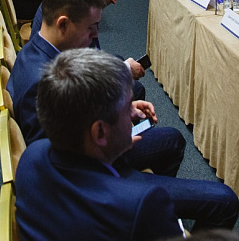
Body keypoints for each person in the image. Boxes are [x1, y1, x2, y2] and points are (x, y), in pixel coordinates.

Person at [8, 0, 239, 230]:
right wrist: (115, 142)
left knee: (173, 140)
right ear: (63, 24)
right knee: (225, 200)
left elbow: (61, 140)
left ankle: (166, 212)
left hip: (91, 152)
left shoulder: (34, 54)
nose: (95, 36)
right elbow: (65, 167)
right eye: (91, 28)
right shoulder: (40, 83)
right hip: (93, 176)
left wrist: (119, 112)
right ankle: (159, 217)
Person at [15, 48, 183, 241]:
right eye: (127, 109)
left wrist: (113, 144)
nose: (132, 114)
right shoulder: (142, 204)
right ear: (100, 132)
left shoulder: (30, 156)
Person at [29, 0, 148, 100]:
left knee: (118, 60)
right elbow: (76, 71)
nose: (115, 1)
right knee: (136, 88)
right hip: (69, 83)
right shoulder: (76, 7)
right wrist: (124, 70)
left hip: (64, 63)